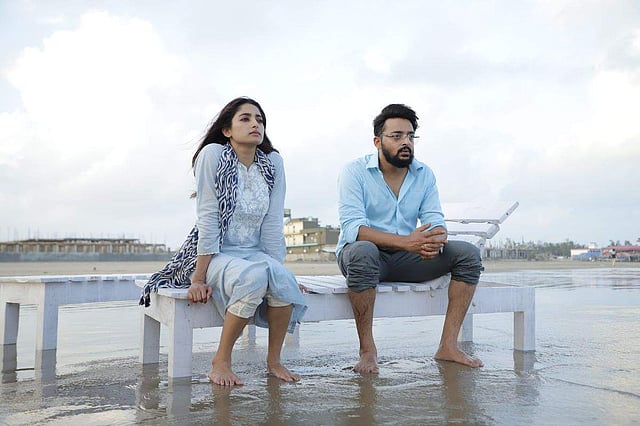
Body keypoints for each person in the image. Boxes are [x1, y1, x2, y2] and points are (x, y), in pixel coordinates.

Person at [140, 97, 306, 386]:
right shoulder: (214, 155)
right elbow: (209, 217)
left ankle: (274, 361)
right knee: (253, 278)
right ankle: (221, 361)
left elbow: (272, 222)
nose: (255, 124)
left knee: (283, 281)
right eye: (245, 118)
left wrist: (279, 270)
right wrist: (198, 277)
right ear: (227, 130)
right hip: (217, 252)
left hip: (254, 252)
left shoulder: (272, 164)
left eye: (260, 120)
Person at [336, 103, 484, 373]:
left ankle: (448, 346)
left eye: (410, 136)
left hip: (408, 257)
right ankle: (367, 351)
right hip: (366, 259)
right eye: (397, 136)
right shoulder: (354, 172)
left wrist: (435, 239)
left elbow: (435, 220)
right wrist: (407, 242)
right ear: (378, 141)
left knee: (468, 255)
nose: (406, 142)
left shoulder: (424, 174)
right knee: (362, 251)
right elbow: (353, 229)